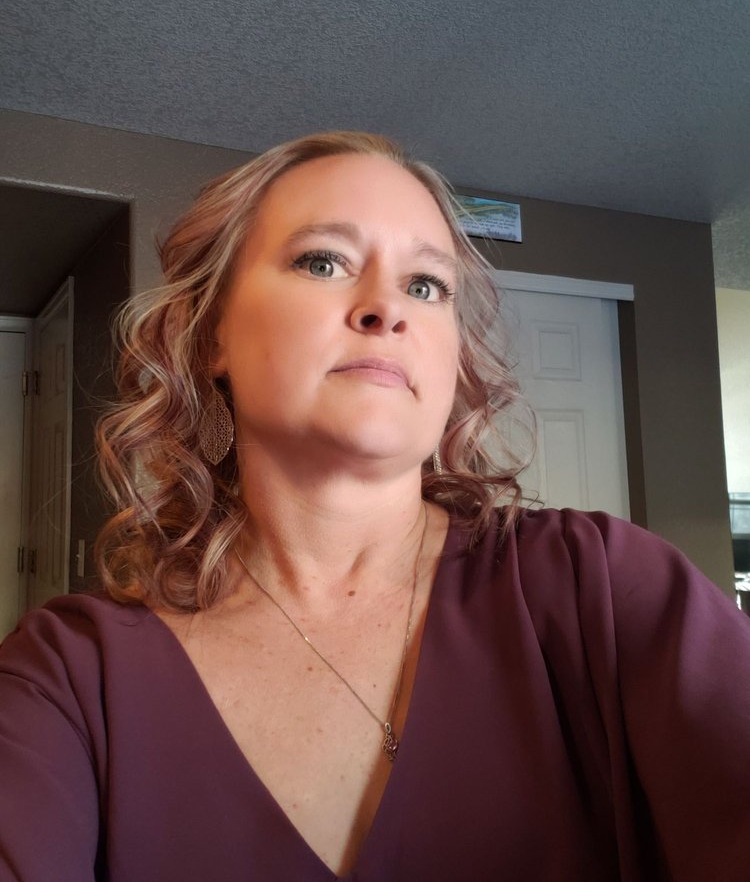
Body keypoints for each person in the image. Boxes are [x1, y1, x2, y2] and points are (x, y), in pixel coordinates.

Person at [1, 131, 748, 882]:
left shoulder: (602, 586)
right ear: (209, 336)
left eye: (425, 285)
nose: (387, 308)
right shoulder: (71, 675)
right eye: (323, 262)